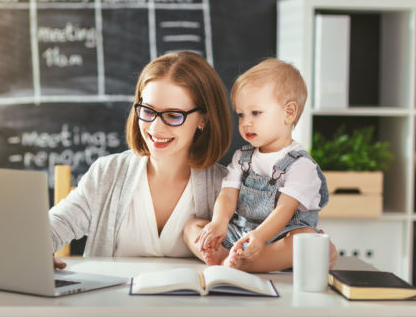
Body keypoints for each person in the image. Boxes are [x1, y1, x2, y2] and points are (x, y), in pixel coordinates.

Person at [49, 51, 232, 268]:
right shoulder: (108, 172)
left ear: (204, 119)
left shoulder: (227, 188)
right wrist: (37, 249)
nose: (155, 128)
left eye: (173, 115)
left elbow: (245, 259)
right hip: (111, 301)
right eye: (147, 111)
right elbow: (55, 224)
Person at [183, 58, 333, 272]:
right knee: (192, 227)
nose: (246, 123)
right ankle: (227, 255)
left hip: (278, 237)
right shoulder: (242, 157)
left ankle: (248, 263)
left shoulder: (301, 165)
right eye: (241, 114)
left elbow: (284, 210)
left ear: (288, 113)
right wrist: (218, 223)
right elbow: (227, 195)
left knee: (307, 238)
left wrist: (260, 238)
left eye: (256, 113)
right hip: (242, 233)